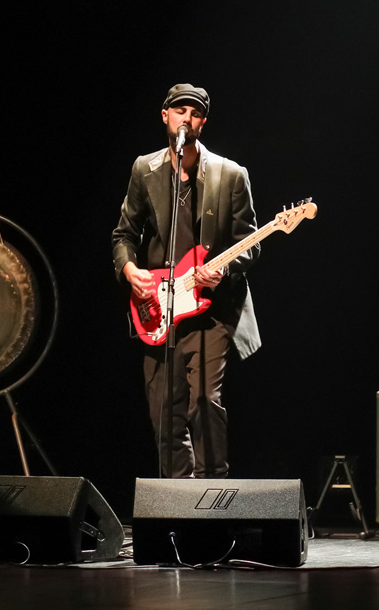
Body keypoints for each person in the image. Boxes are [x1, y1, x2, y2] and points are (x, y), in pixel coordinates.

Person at [111, 84, 260, 479]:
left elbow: (250, 245)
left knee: (205, 402)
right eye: (180, 111)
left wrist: (223, 270)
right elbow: (124, 235)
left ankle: (213, 494)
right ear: (165, 116)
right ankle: (179, 498)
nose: (186, 119)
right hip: (159, 306)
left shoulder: (231, 175)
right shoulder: (145, 169)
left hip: (212, 309)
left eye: (194, 113)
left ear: (202, 122)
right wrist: (130, 271)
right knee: (164, 414)